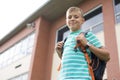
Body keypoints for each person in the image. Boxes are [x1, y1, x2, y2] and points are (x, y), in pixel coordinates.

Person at [55, 6, 110, 80]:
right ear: (66, 21)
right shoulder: (65, 40)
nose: (72, 19)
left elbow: (107, 56)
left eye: (76, 17)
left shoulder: (87, 35)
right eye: (69, 17)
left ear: (82, 21)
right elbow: (71, 61)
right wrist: (59, 52)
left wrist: (87, 44)